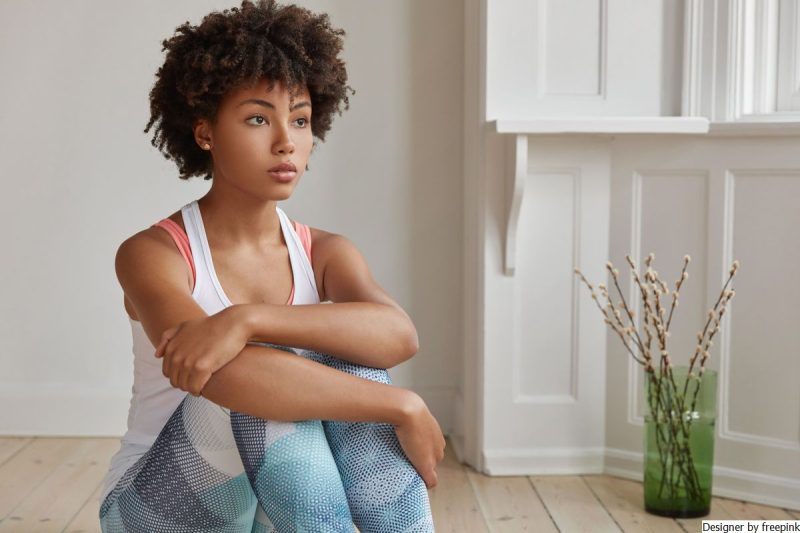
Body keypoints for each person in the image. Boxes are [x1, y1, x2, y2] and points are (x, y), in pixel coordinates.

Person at [98, 1, 446, 531]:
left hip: (267, 508)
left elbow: (397, 334)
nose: (287, 142)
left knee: (353, 363)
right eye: (258, 118)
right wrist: (399, 408)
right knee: (253, 389)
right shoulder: (154, 253)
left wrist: (246, 320)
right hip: (159, 509)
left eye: (301, 119)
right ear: (205, 132)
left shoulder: (325, 251)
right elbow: (213, 373)